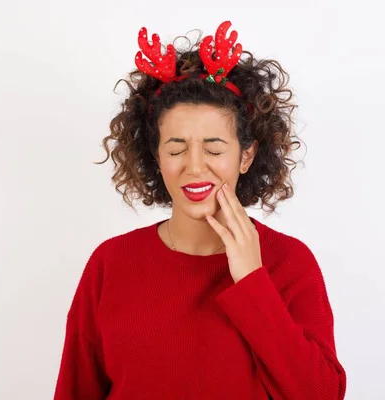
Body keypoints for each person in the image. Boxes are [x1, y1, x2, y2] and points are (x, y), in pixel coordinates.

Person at [54, 20, 346, 400]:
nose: (194, 167)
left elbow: (321, 394)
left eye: (213, 149)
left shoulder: (290, 263)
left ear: (247, 155)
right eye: (176, 149)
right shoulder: (110, 263)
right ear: (156, 156)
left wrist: (253, 282)